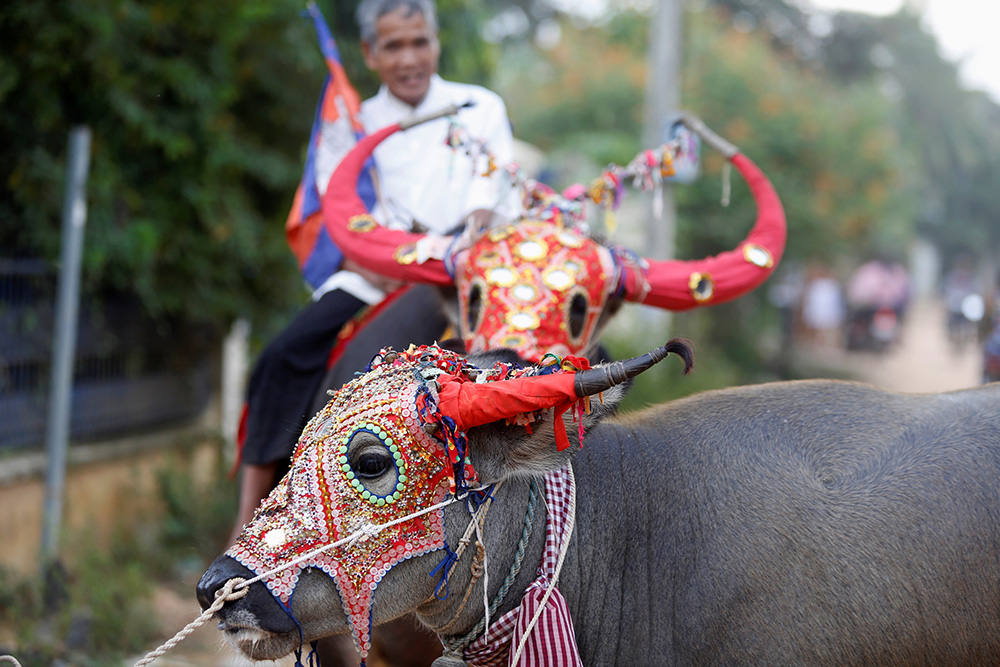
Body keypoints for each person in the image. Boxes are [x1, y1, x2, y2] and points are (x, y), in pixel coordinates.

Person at [231, 0, 515, 542]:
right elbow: (342, 215)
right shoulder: (354, 122)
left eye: (419, 43)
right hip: (375, 276)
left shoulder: (479, 107)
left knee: (560, 357)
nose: (409, 58)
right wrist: (381, 257)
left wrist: (472, 230)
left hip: (464, 274)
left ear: (435, 43)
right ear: (369, 53)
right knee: (280, 357)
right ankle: (251, 522)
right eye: (393, 46)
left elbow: (492, 191)